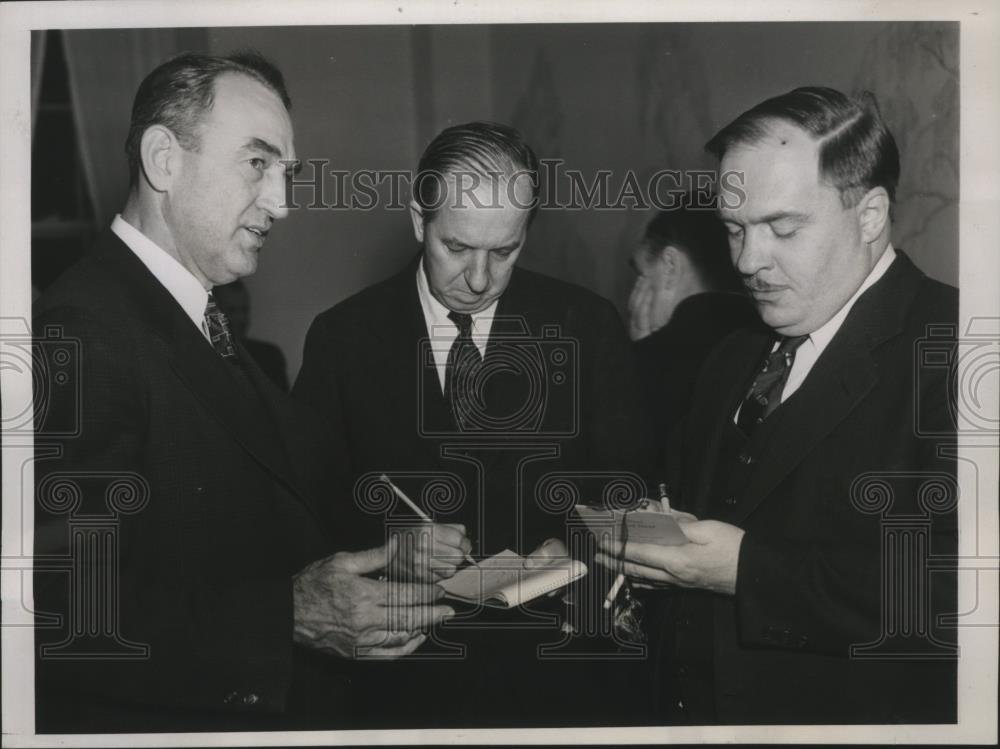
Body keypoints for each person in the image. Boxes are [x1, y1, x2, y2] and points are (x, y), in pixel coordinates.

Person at [32, 51, 451, 733]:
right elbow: (60, 605)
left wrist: (390, 537)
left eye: (289, 174)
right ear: (164, 159)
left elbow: (269, 474)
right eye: (257, 163)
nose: (283, 204)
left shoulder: (191, 312)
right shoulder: (83, 330)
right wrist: (291, 614)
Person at [599, 87, 958, 724]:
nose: (747, 261)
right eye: (734, 229)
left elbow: (958, 595)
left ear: (870, 214)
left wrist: (746, 571)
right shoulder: (732, 355)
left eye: (782, 228)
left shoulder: (959, 349)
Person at [293, 121, 656, 726]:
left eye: (504, 251)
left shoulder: (586, 325)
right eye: (457, 248)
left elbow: (631, 491)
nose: (480, 279)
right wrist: (388, 550)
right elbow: (305, 512)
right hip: (406, 687)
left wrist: (575, 550)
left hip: (559, 680)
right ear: (418, 222)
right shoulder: (343, 338)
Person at [628, 196, 761, 453]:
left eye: (642, 276)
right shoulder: (773, 359)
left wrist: (637, 361)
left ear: (670, 266)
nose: (633, 296)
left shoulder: (639, 368)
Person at [213, 279, 290, 390]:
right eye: (232, 311)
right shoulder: (206, 357)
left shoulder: (270, 357)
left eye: (245, 310)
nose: (241, 318)